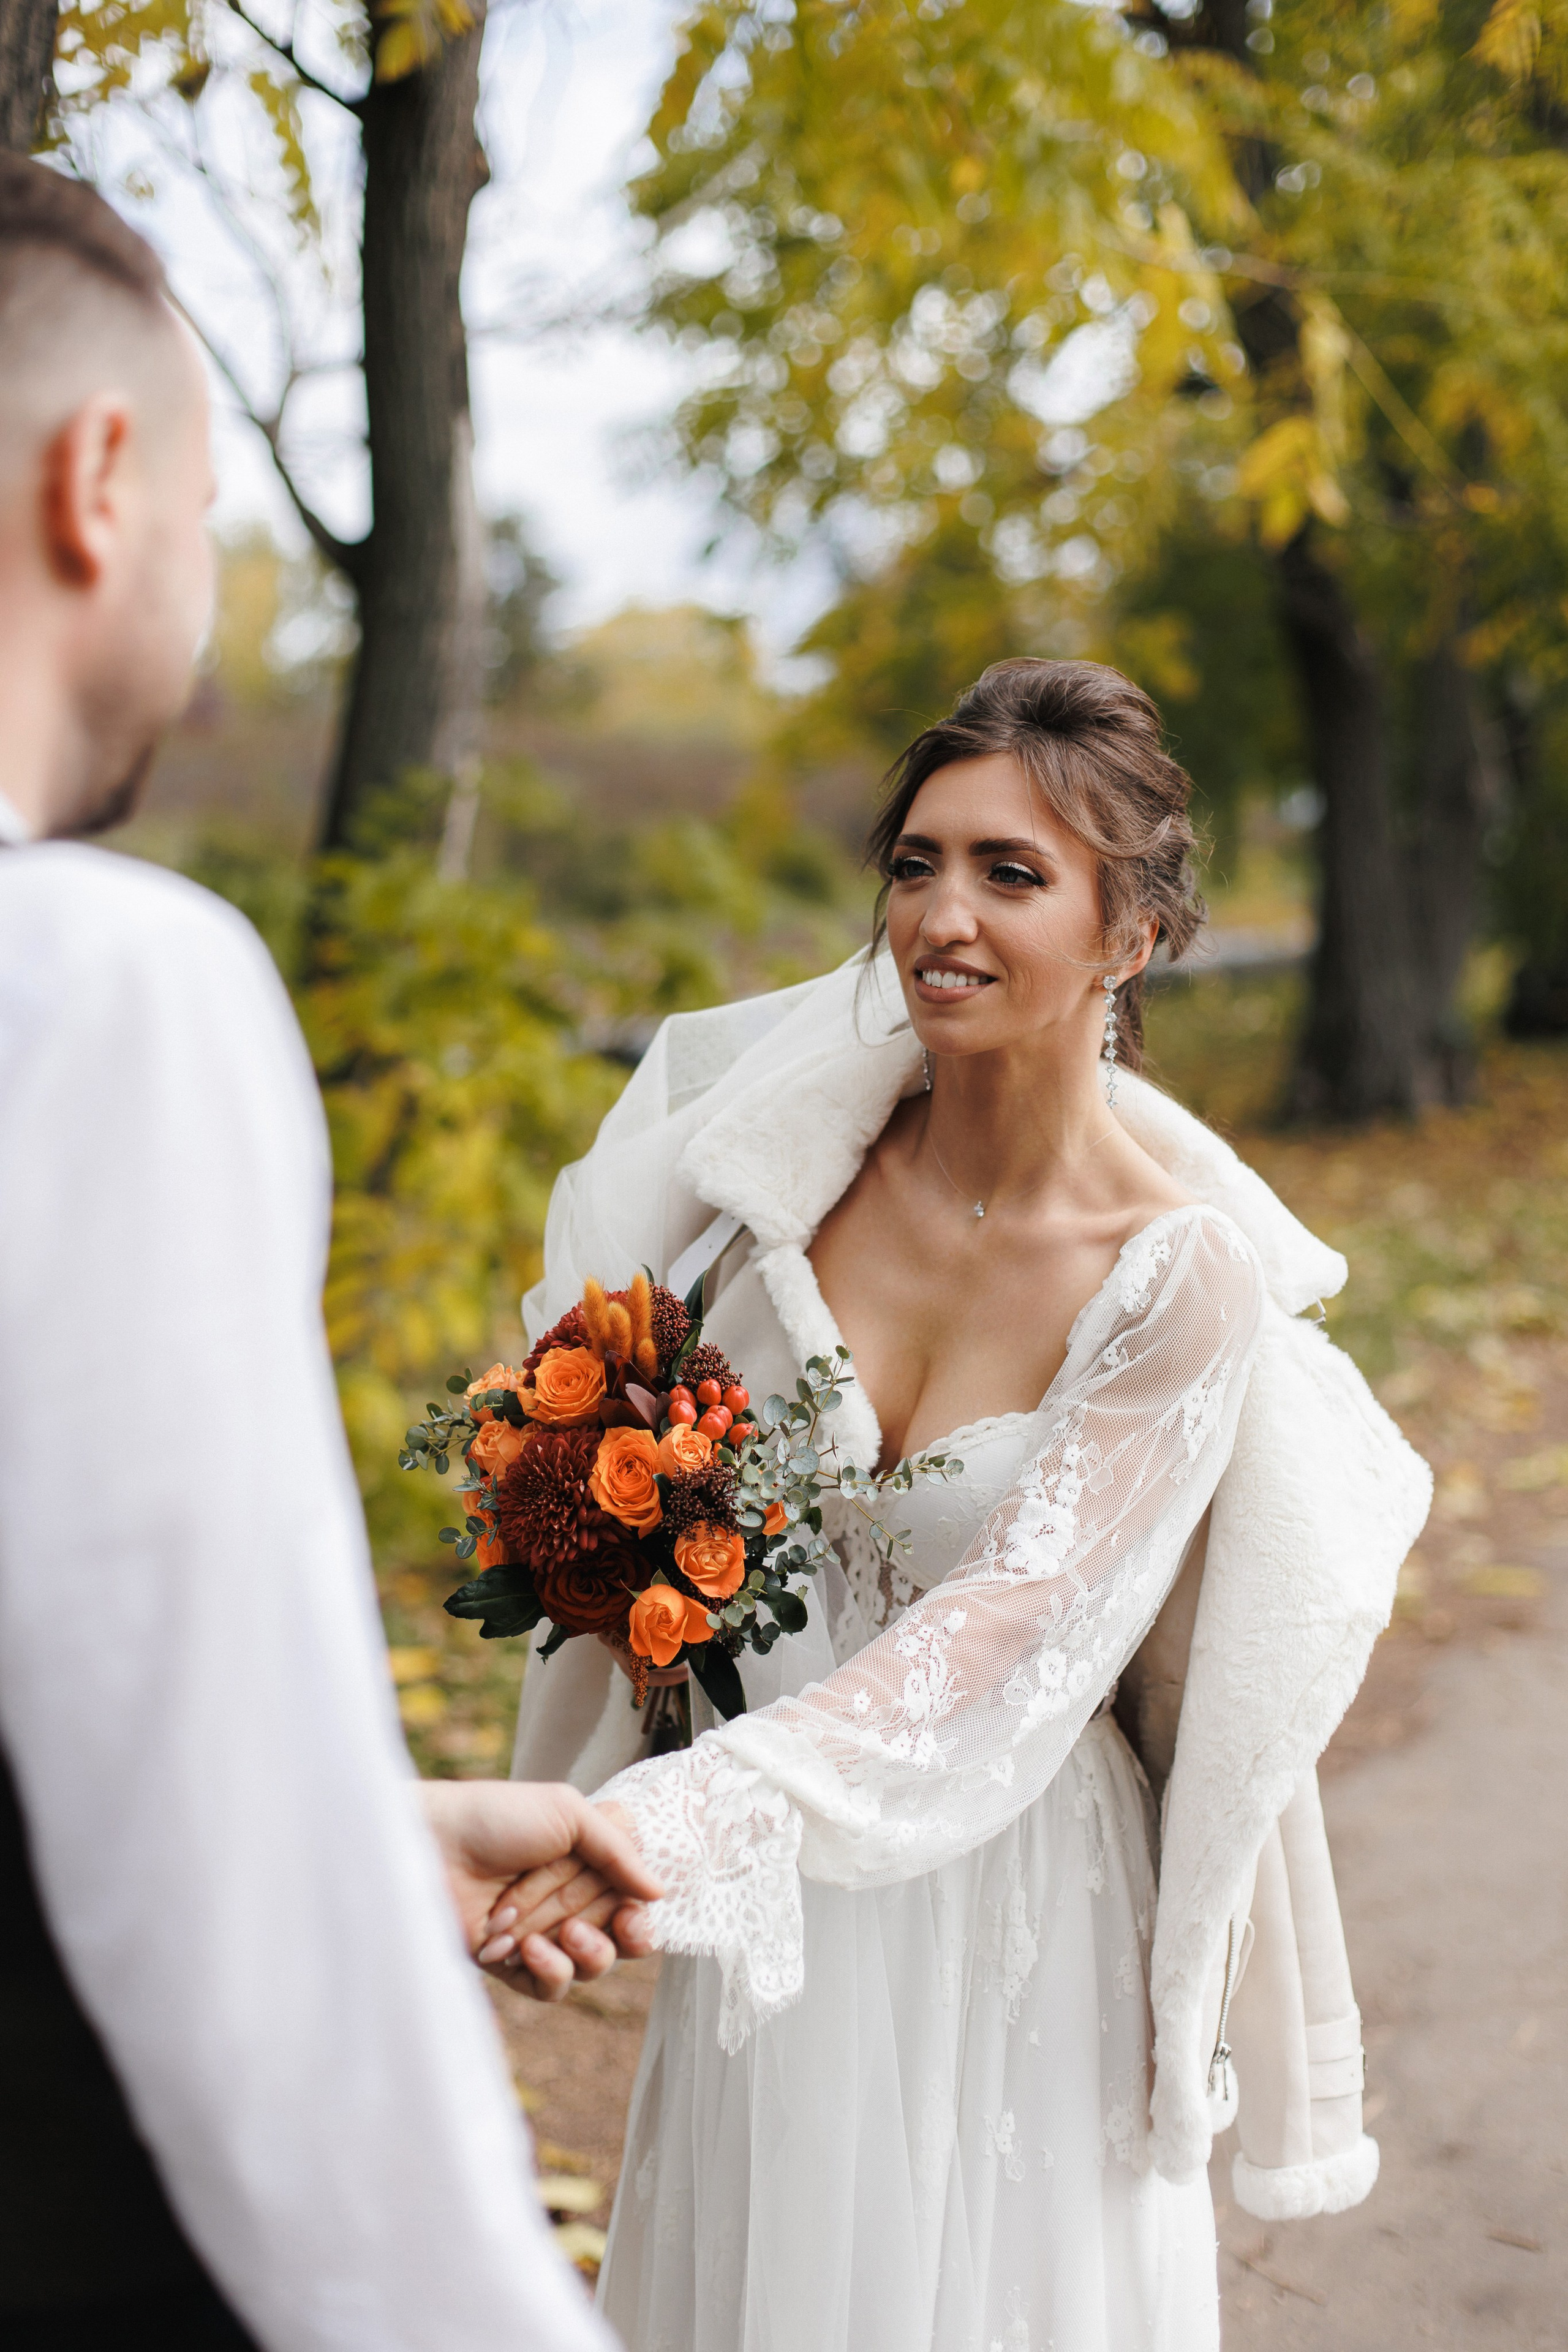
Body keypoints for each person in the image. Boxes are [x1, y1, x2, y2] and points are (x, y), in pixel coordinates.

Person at [496, 660, 1434, 2350]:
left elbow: (1002, 1648)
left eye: (1013, 873)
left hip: (1003, 1916)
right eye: (919, 862)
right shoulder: (763, 1203)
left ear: (1129, 934)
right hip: (775, 1916)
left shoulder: (1176, 1282)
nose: (944, 912)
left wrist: (674, 1827)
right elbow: (677, 1538)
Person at [0, 155, 655, 2350]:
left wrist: (366, 1833)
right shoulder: (93, 990)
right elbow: (225, 1907)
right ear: (102, 485)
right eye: (212, 514)